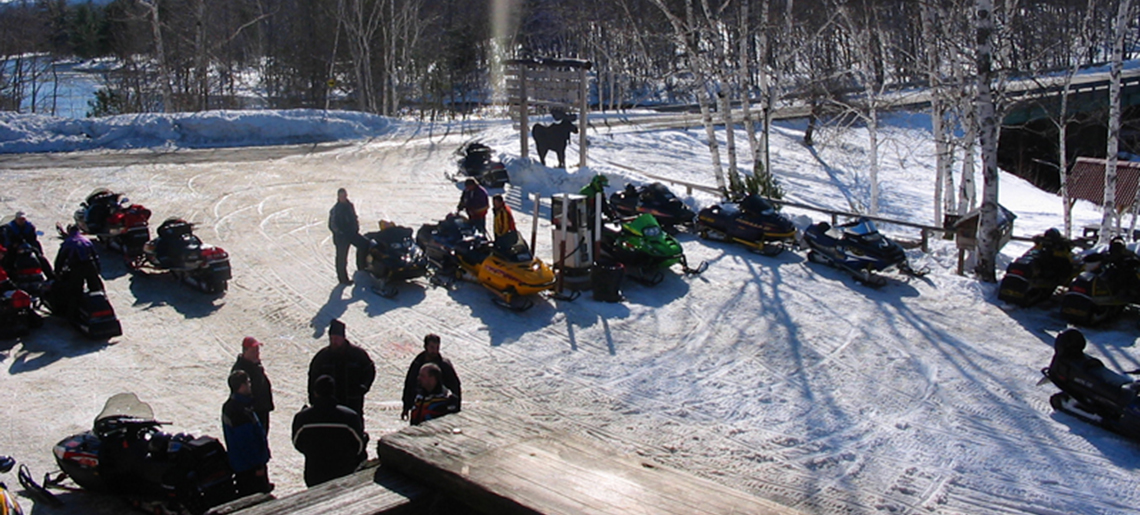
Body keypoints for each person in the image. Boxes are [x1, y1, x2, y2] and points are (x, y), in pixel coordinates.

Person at [292, 375, 367, 487]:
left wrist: (312, 452)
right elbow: (359, 445)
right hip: (343, 469)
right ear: (333, 391)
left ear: (315, 392)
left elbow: (297, 442)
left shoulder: (303, 418)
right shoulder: (349, 416)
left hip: (314, 470)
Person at [308, 319, 375, 424]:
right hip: (329, 405)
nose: (334, 341)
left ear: (343, 337)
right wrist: (313, 399)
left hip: (352, 402)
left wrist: (363, 387)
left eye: (337, 338)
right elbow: (313, 377)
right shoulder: (322, 357)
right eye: (332, 338)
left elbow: (369, 371)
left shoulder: (357, 355)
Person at [221, 370, 273, 496]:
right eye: (248, 383)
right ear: (242, 386)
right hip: (249, 468)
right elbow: (246, 442)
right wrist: (257, 466)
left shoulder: (240, 406)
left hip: (246, 465)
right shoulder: (238, 411)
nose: (250, 386)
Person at [401, 334, 462, 421]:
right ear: (425, 347)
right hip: (420, 407)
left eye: (437, 347)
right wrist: (406, 406)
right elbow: (410, 384)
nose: (435, 350)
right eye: (432, 347)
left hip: (438, 409)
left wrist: (455, 407)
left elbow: (455, 386)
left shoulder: (444, 365)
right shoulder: (418, 363)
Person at [232, 336, 275, 433]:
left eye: (257, 350)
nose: (257, 353)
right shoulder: (240, 370)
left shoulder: (254, 364)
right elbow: (255, 388)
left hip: (262, 410)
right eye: (253, 351)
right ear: (245, 351)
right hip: (252, 413)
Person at [328, 188, 369, 285]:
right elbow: (332, 225)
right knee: (342, 258)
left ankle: (362, 268)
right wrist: (340, 233)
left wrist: (356, 228)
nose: (343, 198)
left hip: (352, 234)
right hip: (341, 237)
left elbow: (354, 217)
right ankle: (343, 279)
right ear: (338, 197)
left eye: (345, 196)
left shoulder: (350, 206)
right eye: (341, 196)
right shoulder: (335, 209)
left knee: (365, 245)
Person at [2, 211, 53, 280]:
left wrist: (31, 246)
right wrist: (13, 245)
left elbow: (33, 238)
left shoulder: (29, 227)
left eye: (23, 219)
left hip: (28, 247)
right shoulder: (9, 228)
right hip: (14, 248)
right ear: (16, 219)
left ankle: (51, 276)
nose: (21, 221)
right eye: (19, 219)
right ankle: (8, 277)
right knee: (8, 259)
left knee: (40, 257)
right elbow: (7, 239)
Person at [55, 224, 103, 293]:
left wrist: (57, 272)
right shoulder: (87, 240)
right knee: (96, 289)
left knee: (76, 291)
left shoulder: (67, 242)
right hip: (89, 265)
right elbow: (95, 256)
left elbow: (60, 259)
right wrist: (98, 269)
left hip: (76, 267)